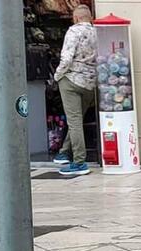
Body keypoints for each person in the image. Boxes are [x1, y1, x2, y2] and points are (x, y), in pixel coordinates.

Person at [53, 4, 97, 177]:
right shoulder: (96, 32)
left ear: (76, 18)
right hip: (90, 83)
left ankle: (79, 162)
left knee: (74, 121)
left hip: (71, 80)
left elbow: (66, 58)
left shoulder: (73, 31)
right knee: (78, 118)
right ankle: (64, 152)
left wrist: (57, 76)